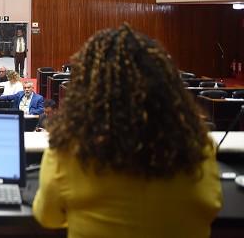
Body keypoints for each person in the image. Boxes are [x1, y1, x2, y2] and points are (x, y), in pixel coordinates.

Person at [33, 24, 222, 237]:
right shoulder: (199, 148)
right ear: (167, 84)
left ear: (84, 87)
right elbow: (213, 207)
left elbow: (47, 217)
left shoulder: (66, 149)